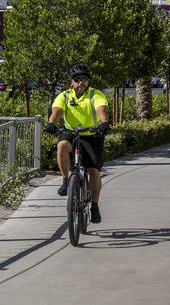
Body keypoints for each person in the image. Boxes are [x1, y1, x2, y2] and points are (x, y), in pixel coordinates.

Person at [45, 63, 109, 224]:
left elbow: (101, 109)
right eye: (77, 79)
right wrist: (51, 123)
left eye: (84, 79)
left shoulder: (95, 94)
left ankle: (94, 205)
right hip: (71, 132)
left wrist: (104, 123)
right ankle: (66, 181)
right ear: (71, 81)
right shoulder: (65, 96)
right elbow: (57, 111)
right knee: (61, 146)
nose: (81, 82)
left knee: (93, 170)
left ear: (88, 81)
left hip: (92, 134)